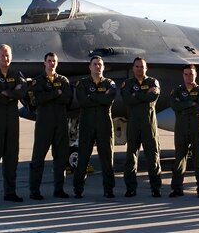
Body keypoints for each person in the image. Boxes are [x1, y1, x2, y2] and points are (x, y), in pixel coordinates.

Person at [0, 44, 28, 204]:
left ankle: (10, 192)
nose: (5, 58)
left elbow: (23, 90)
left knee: (11, 157)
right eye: (2, 55)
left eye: (8, 55)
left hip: (12, 120)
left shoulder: (17, 74)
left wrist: (7, 92)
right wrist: (12, 93)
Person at [28, 52, 73, 200]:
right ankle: (34, 191)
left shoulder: (64, 80)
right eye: (49, 61)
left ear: (57, 63)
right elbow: (37, 100)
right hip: (44, 123)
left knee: (60, 158)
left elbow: (67, 99)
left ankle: (59, 189)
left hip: (60, 122)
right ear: (44, 63)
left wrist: (49, 96)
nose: (52, 63)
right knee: (38, 158)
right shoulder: (37, 81)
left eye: (54, 61)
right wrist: (56, 93)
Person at [73, 55, 117, 198]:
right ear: (90, 67)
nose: (97, 66)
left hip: (104, 125)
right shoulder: (82, 83)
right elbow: (83, 102)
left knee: (107, 158)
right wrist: (100, 97)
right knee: (83, 157)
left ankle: (108, 189)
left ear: (103, 67)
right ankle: (78, 189)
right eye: (95, 64)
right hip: (87, 125)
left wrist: (92, 97)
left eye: (100, 64)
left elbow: (108, 100)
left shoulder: (110, 84)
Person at [120, 57, 163, 198]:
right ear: (133, 68)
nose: (139, 69)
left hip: (149, 124)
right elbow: (127, 99)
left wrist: (136, 95)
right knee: (131, 157)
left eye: (142, 66)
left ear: (146, 68)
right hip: (133, 124)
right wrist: (144, 95)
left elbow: (153, 97)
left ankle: (155, 188)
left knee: (153, 156)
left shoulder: (153, 82)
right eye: (137, 66)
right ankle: (130, 188)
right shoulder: (127, 83)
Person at [169, 64, 199, 198]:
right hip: (181, 128)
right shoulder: (177, 91)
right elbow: (175, 106)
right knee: (179, 158)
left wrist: (184, 106)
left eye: (191, 74)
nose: (188, 76)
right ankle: (177, 188)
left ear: (196, 74)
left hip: (197, 128)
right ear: (183, 75)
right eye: (186, 74)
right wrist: (191, 103)